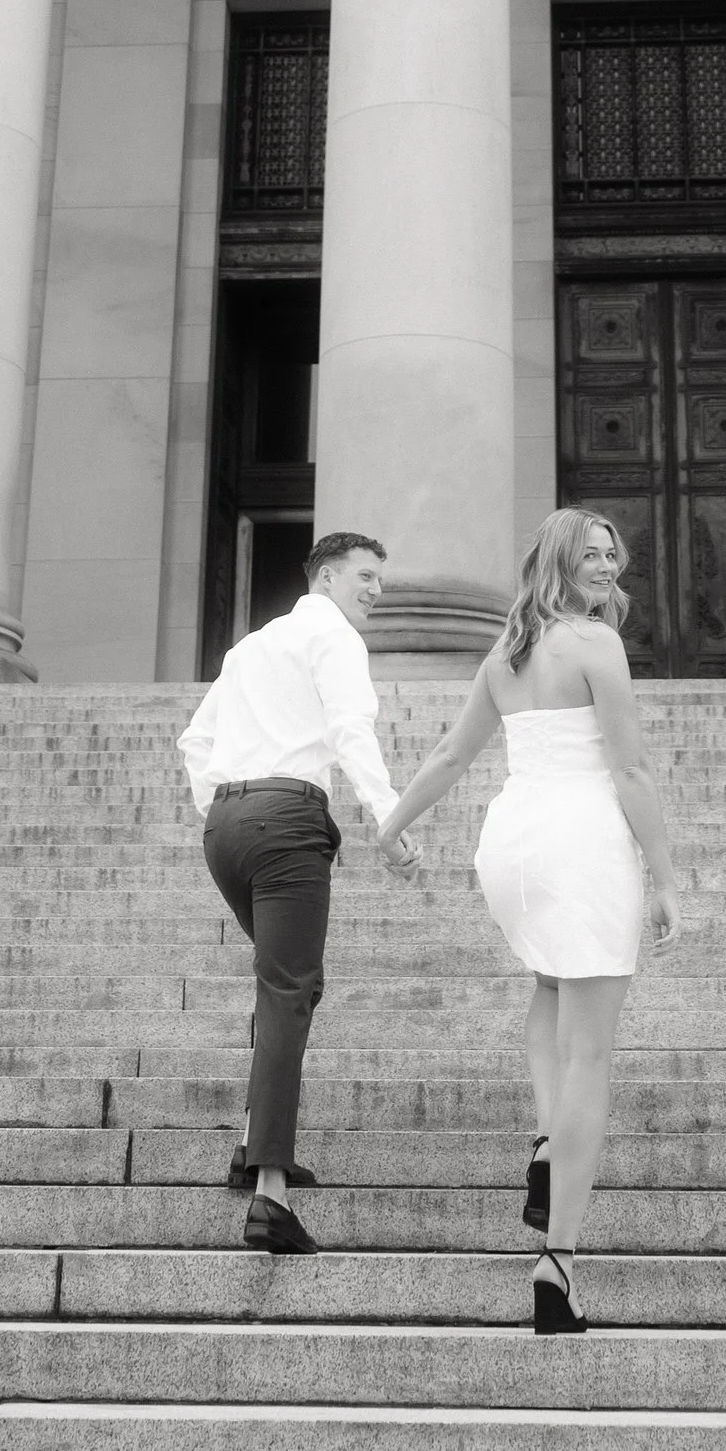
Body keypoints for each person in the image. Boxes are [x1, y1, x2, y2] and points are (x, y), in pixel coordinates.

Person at [381, 508, 679, 1331]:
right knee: (592, 1053)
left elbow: (450, 756)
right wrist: (665, 879)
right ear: (559, 561)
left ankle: (548, 1144)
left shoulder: (506, 653)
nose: (607, 568)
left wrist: (392, 823)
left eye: (613, 556)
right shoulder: (594, 645)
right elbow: (630, 770)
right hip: (581, 840)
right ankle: (558, 1265)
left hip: (513, 844)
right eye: (590, 556)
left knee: (550, 985)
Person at [178, 528, 422, 1254]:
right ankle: (270, 1194)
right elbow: (351, 730)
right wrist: (390, 817)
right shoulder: (335, 638)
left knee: (284, 988)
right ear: (324, 578)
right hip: (286, 820)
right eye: (365, 576)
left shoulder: (250, 646)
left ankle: (252, 1140)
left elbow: (195, 741)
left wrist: (223, 807)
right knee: (289, 990)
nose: (376, 589)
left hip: (227, 826)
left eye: (382, 578)